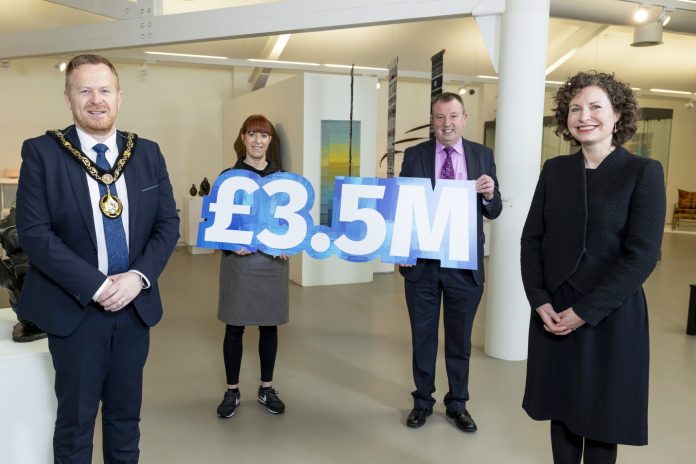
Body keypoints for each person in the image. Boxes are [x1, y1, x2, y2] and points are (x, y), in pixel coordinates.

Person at [16, 54, 179, 463]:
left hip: (134, 307)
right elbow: (35, 234)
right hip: (76, 310)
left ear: (119, 97)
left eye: (105, 90)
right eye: (84, 90)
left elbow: (167, 225)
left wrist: (137, 277)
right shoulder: (43, 153)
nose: (96, 99)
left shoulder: (147, 154)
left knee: (126, 419)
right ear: (68, 98)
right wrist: (99, 285)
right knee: (75, 423)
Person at [520, 71, 665, 464]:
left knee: (603, 417)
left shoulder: (643, 172)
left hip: (609, 311)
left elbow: (644, 254)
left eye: (596, 106)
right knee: (562, 408)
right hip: (554, 307)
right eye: (575, 108)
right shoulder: (555, 170)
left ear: (618, 114)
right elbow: (532, 239)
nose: (584, 116)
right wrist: (539, 299)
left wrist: (586, 312)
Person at [399, 92, 502, 432]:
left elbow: (495, 209)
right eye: (440, 117)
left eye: (453, 116)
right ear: (433, 120)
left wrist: (489, 194)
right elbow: (404, 206)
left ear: (464, 118)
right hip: (423, 266)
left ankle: (458, 404)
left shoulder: (482, 155)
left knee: (460, 340)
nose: (447, 124)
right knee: (423, 337)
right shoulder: (415, 155)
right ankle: (422, 402)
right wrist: (402, 250)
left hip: (463, 265)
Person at [215, 114, 289, 419]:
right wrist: (230, 243)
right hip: (239, 263)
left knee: (268, 326)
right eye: (253, 135)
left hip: (272, 263)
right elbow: (215, 224)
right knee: (235, 327)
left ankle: (266, 388)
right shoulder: (228, 176)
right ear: (243, 138)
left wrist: (288, 242)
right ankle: (231, 391)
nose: (258, 141)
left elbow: (289, 222)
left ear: (270, 141)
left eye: (264, 136)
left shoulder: (282, 178)